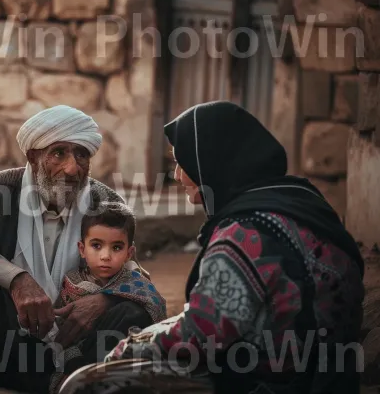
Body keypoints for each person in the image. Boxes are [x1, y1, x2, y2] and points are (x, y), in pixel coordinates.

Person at [59, 101, 365, 394]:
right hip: (332, 381)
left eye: (183, 164)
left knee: (84, 385)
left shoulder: (242, 235)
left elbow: (199, 337)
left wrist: (127, 349)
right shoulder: (303, 201)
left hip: (272, 385)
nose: (177, 176)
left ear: (213, 161)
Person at [0, 105, 153, 393]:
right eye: (59, 153)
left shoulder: (105, 202)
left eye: (81, 154)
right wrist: (16, 280)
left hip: (73, 339)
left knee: (131, 311)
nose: (72, 168)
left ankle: (69, 386)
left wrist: (106, 299)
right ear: (33, 156)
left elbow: (134, 272)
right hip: (8, 333)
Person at [43, 202, 166, 391]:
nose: (105, 256)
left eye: (116, 248)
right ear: (82, 249)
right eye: (97, 246)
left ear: (129, 253)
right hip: (74, 357)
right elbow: (59, 328)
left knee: (133, 314)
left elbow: (155, 303)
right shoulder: (72, 282)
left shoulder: (134, 280)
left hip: (120, 357)